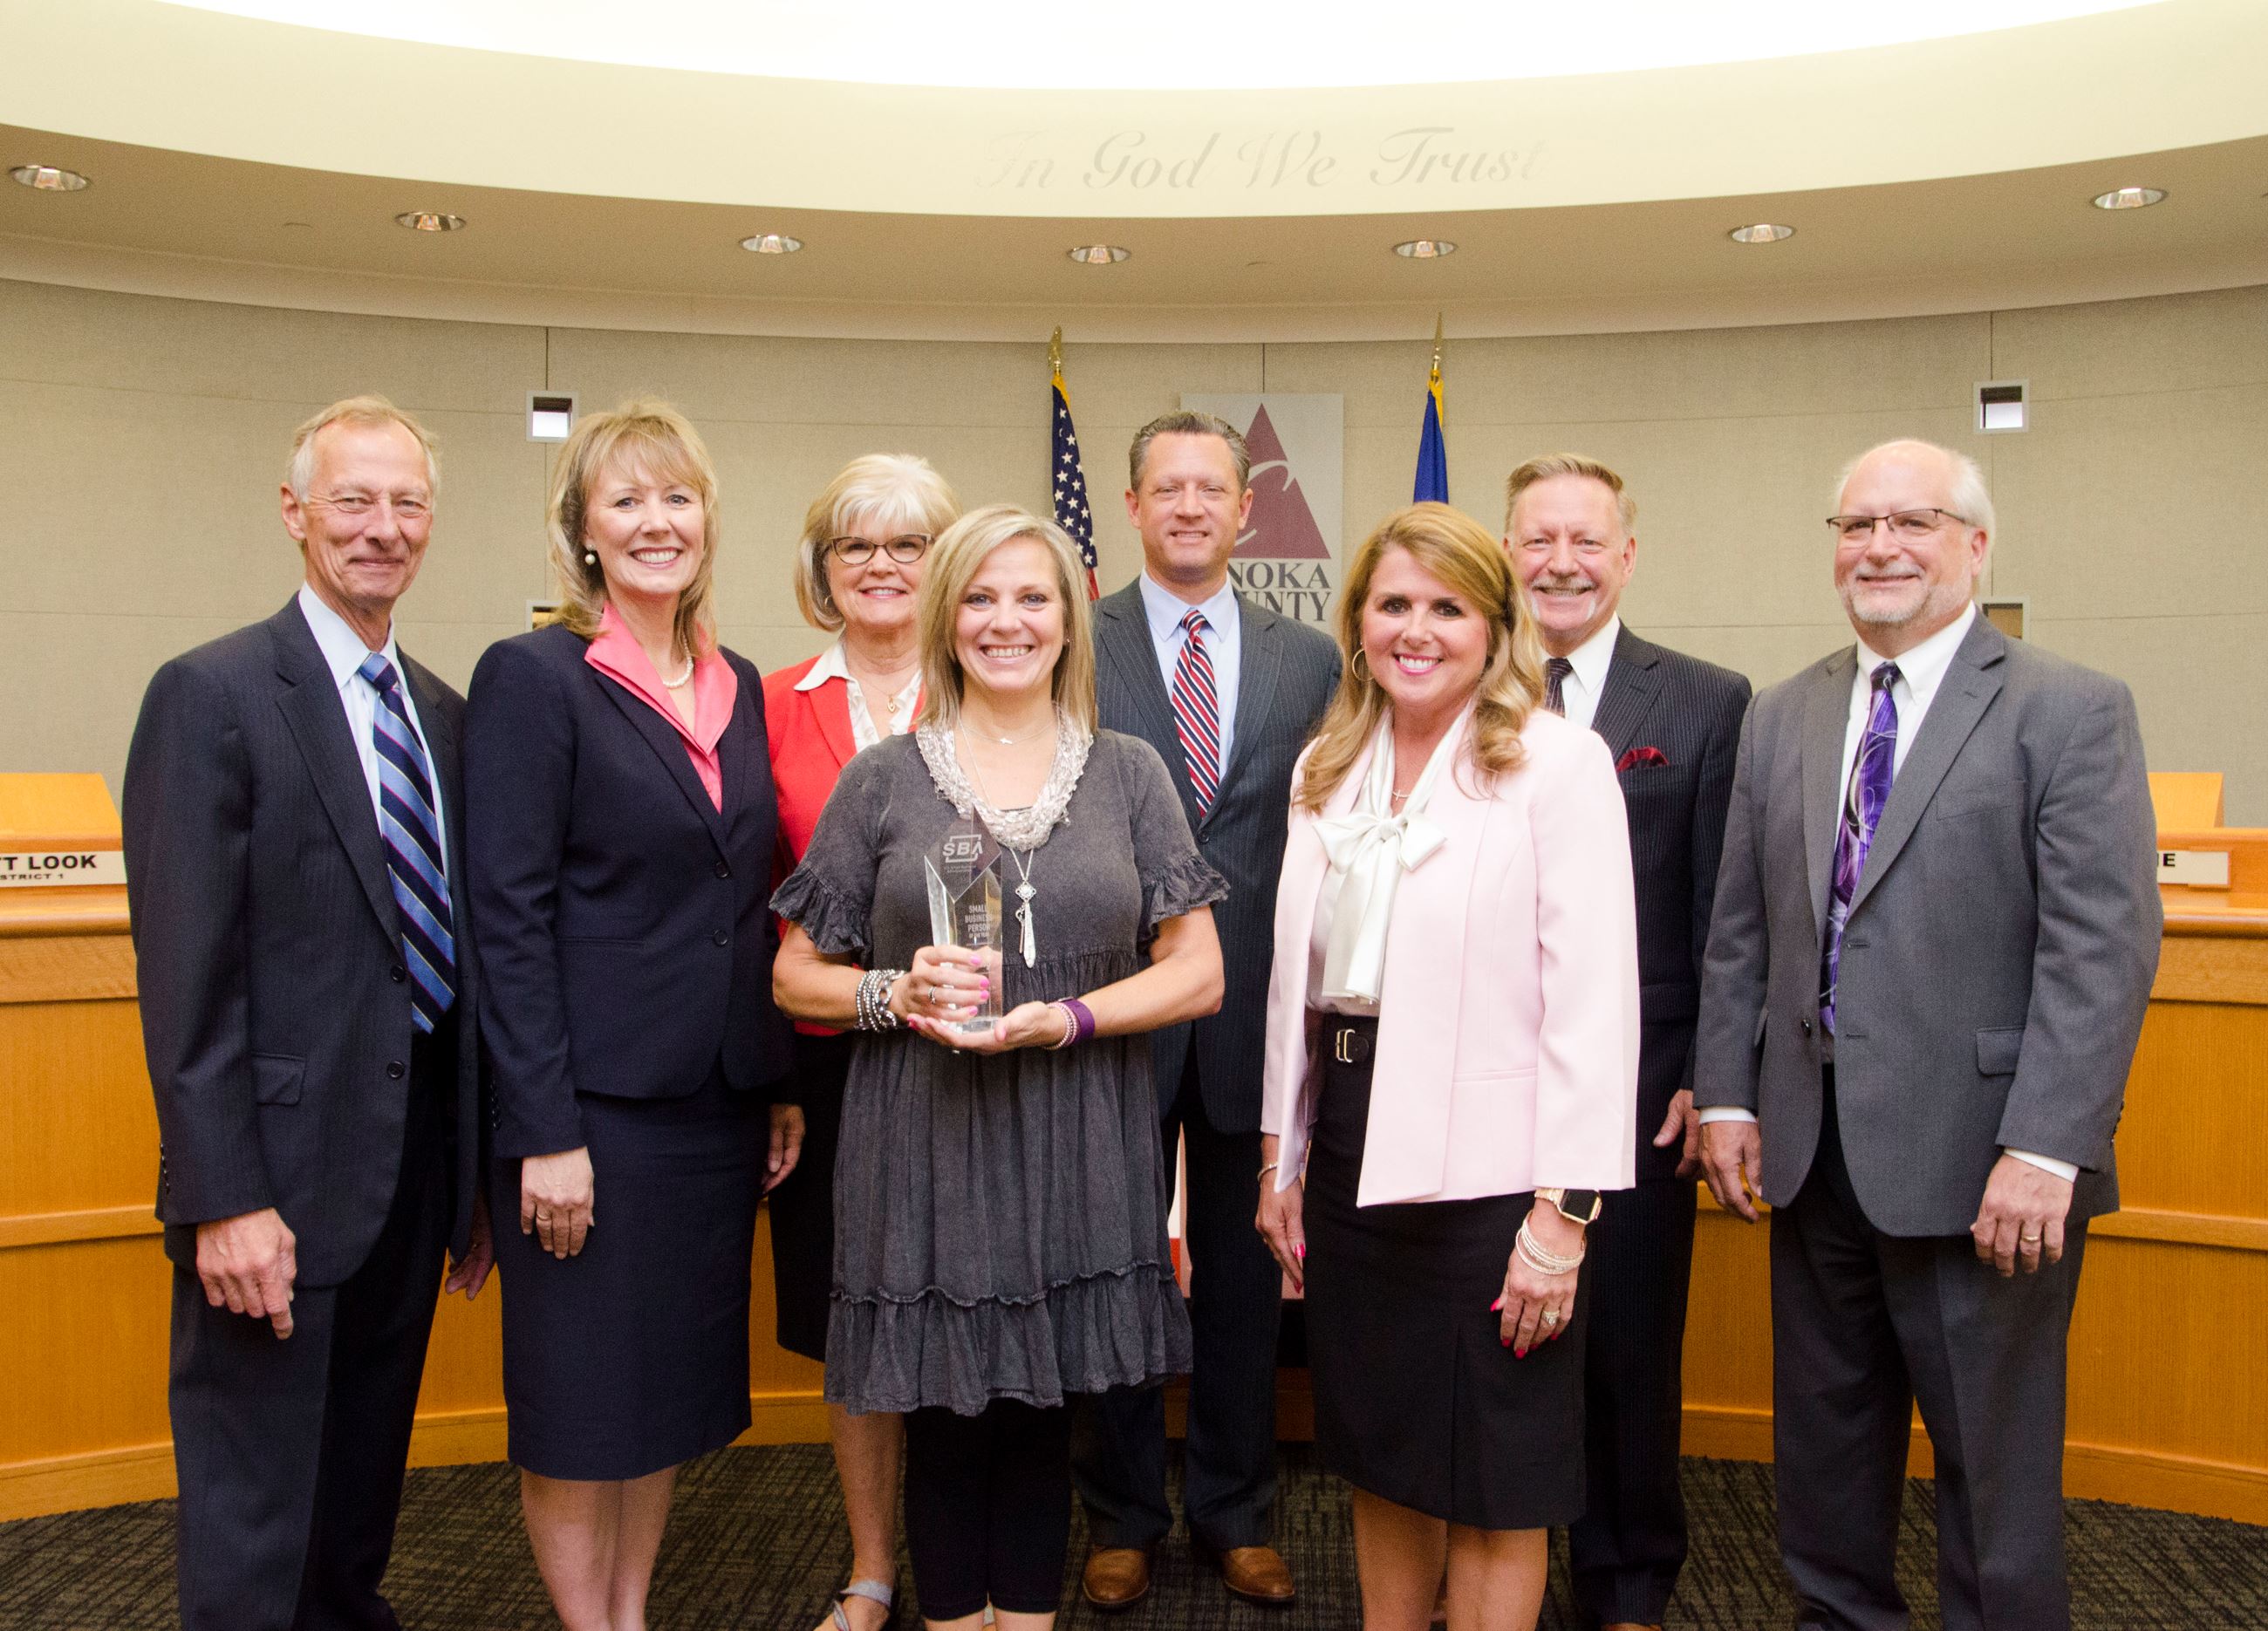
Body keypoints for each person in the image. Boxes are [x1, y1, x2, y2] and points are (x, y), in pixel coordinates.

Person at [1695, 439, 2162, 1631]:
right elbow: (1742, 928)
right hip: (1810, 1157)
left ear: (1975, 542)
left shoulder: (2068, 708)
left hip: (1987, 1166)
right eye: (1857, 525)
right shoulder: (1786, 711)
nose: (1881, 546)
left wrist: (2048, 1146)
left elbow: (2100, 948)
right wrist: (1732, 1098)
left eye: (1913, 521)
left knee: (1992, 1483)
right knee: (1827, 1460)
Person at [771, 503, 1222, 1630]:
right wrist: (893, 990)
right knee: (942, 1411)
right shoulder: (880, 780)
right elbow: (794, 976)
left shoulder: (1130, 774)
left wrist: (1068, 1016)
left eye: (1032, 597)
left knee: (1038, 1408)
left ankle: (1021, 1620)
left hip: (1077, 1126)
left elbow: (1198, 973)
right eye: (980, 596)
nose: (1006, 620)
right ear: (946, 616)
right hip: (921, 1132)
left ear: (1069, 621)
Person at [121, 395, 492, 1631]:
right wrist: (223, 1196)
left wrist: (470, 1181)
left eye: (406, 503)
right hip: (269, 1191)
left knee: (353, 1513)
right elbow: (187, 976)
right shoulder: (213, 693)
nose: (381, 528)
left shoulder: (444, 713)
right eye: (353, 499)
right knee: (253, 1519)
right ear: (295, 512)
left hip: (405, 1185)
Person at [1255, 502, 1641, 1631]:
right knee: (1385, 1451)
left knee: (1495, 1481)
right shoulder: (1327, 765)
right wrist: (1282, 1154)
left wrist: (1562, 1217)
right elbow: (1297, 987)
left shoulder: (1558, 764)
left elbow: (1594, 1002)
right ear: (1358, 619)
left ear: (1495, 625)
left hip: (1495, 1175)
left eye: (1447, 607)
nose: (1415, 630)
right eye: (1392, 604)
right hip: (1351, 1149)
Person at [464, 400, 798, 1631]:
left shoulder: (738, 683)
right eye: (628, 502)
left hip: (710, 1107)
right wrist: (542, 1126)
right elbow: (505, 915)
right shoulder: (535, 675)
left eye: (678, 498)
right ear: (584, 533)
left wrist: (769, 1081)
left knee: (663, 1394)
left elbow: (750, 892)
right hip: (587, 1114)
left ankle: (632, 1611)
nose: (657, 522)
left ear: (707, 522)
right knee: (578, 1399)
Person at [1077, 409, 1339, 1611]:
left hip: (1253, 1020)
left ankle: (1237, 1511)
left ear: (1249, 510)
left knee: (1244, 1284)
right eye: (1165, 487)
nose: (1189, 505)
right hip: (1113, 1010)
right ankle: (1123, 1514)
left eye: (1211, 488)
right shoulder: (1074, 639)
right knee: (1116, 1267)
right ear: (1130, 506)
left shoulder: (1312, 659)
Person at [1505, 454, 1751, 1631]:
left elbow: (1724, 906)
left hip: (1645, 1085)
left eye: (1586, 539)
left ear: (1627, 555)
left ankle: (1627, 1581)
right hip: (1486, 1074)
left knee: (1629, 1345)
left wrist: (1716, 1068)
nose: (1561, 561)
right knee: (1489, 1329)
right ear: (1507, 552)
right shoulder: (1459, 682)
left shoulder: (1707, 699)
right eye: (1538, 538)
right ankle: (1489, 1571)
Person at [762, 452, 961, 1631]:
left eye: (908, 544)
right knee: (856, 1313)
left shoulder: (996, 684)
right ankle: (874, 1561)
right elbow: (753, 898)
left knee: (962, 1298)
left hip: (975, 1047)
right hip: (832, 1055)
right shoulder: (769, 701)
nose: (881, 566)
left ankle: (967, 1546)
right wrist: (778, 1077)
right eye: (856, 545)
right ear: (822, 568)